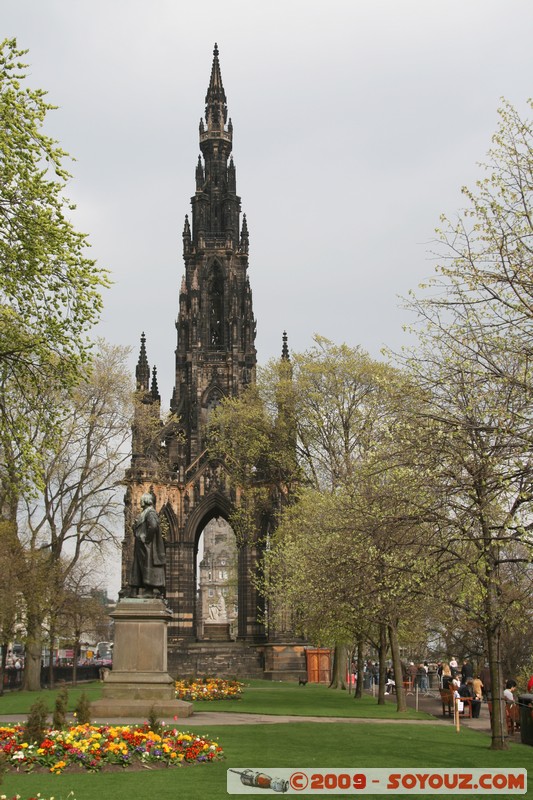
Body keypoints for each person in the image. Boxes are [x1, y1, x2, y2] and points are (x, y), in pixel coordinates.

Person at [129, 493, 166, 597]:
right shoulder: (144, 513)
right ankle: (134, 590)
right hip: (140, 545)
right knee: (138, 567)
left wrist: (147, 539)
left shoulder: (150, 513)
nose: (140, 501)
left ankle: (149, 589)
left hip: (146, 546)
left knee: (147, 566)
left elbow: (153, 526)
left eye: (142, 499)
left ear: (146, 501)